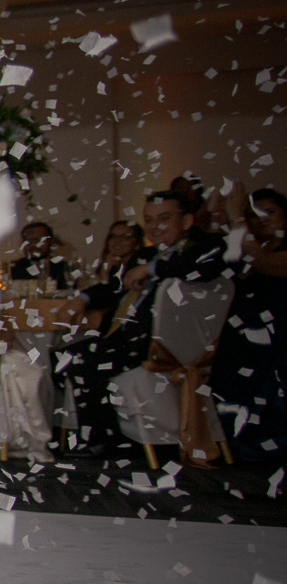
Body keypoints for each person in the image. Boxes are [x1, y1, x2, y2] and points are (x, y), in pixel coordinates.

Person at [57, 190, 232, 456]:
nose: (154, 226)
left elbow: (204, 267)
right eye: (149, 220)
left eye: (164, 218)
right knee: (61, 356)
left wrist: (152, 270)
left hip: (159, 346)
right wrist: (82, 298)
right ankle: (104, 432)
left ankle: (102, 440)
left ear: (186, 221)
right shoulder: (144, 256)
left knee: (78, 360)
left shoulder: (208, 245)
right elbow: (114, 287)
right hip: (126, 339)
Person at [212, 185, 287, 462]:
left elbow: (260, 259)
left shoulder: (270, 255)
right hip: (240, 339)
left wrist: (238, 218)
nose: (262, 218)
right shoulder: (241, 251)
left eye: (270, 211)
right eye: (254, 214)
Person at [80, 220, 142, 332]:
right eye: (114, 237)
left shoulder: (137, 266)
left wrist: (104, 274)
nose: (118, 242)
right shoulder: (111, 263)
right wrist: (104, 270)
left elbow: (109, 298)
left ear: (136, 243)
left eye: (126, 237)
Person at [9, 221, 75, 291]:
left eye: (40, 239)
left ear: (51, 241)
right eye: (28, 239)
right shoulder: (11, 269)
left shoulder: (66, 269)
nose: (34, 243)